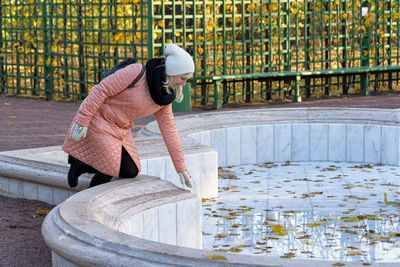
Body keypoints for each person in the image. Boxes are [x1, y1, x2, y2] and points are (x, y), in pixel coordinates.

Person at [62, 43, 194, 189]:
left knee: (131, 170)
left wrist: (181, 168)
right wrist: (82, 122)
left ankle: (80, 165)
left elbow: (170, 131)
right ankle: (84, 205)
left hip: (121, 129)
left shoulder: (163, 97)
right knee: (109, 167)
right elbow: (100, 91)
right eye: (183, 78)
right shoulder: (136, 72)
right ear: (173, 72)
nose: (184, 83)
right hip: (99, 120)